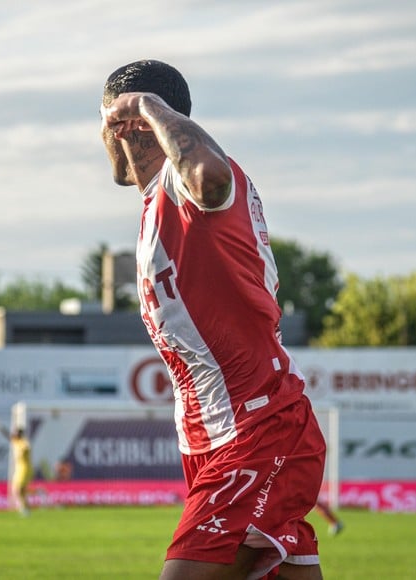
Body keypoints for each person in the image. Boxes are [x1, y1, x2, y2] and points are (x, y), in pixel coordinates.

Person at [100, 59, 327, 580]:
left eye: (104, 118)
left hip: (260, 424)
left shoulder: (184, 183)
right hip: (211, 438)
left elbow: (210, 177)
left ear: (126, 122)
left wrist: (149, 106)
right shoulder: (156, 201)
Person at [0, 416, 33, 516]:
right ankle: (27, 506)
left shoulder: (23, 442)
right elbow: (6, 434)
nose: (14, 434)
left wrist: (23, 452)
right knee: (18, 490)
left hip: (25, 468)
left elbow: (27, 448)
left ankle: (25, 508)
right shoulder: (16, 441)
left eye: (16, 432)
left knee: (18, 490)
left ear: (20, 434)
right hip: (19, 469)